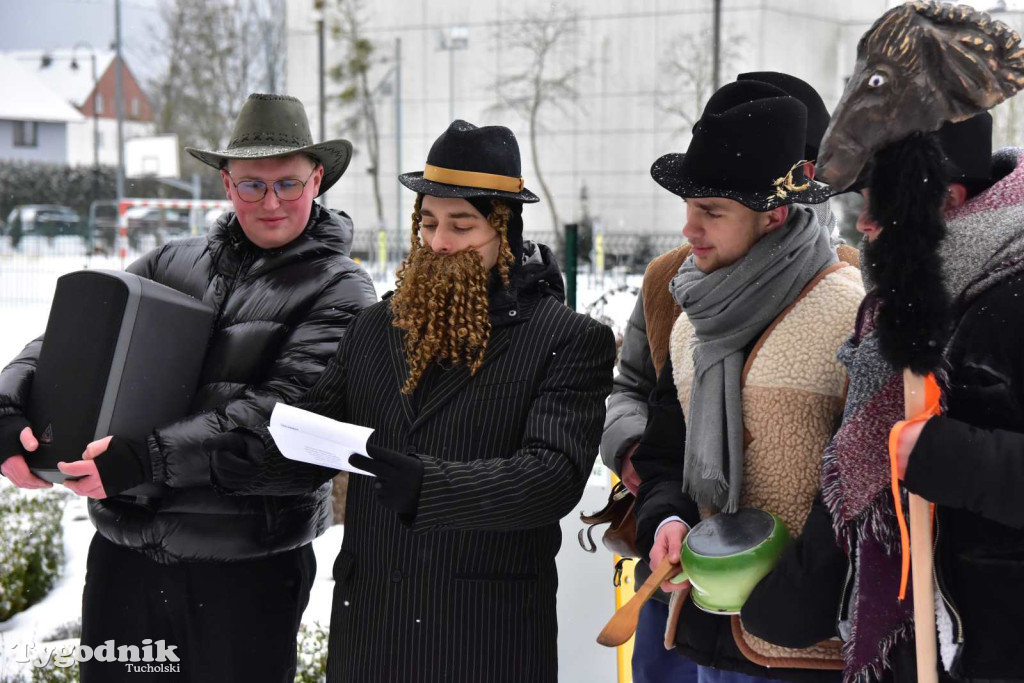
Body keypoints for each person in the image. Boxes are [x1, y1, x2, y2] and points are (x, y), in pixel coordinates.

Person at [203, 119, 616, 683]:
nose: (440, 242)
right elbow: (318, 433)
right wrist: (256, 462)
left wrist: (431, 487)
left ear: (505, 230)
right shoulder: (376, 327)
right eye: (427, 223)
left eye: (461, 225)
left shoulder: (566, 339)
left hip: (486, 635)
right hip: (373, 627)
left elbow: (551, 479)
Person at [0, 93, 377, 682]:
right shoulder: (169, 261)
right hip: (126, 562)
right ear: (227, 184)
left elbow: (279, 416)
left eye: (289, 184)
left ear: (317, 180)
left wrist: (146, 459)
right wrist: (9, 405)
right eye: (253, 184)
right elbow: (74, 342)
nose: (271, 201)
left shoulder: (342, 289)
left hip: (246, 570)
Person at [601, 71, 843, 683]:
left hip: (810, 644)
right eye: (689, 208)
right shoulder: (690, 312)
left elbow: (866, 489)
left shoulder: (850, 311)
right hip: (706, 626)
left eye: (711, 211)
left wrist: (794, 598)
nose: (690, 229)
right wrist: (669, 518)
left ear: (775, 213)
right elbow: (664, 445)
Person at [825, 112, 1024, 683]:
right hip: (926, 646)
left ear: (946, 202)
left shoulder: (1012, 301)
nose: (862, 224)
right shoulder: (901, 310)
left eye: (877, 203)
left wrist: (951, 458)